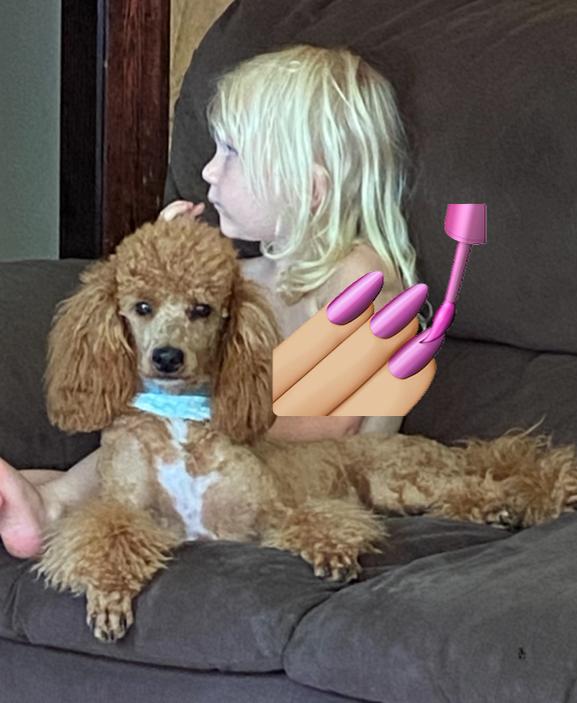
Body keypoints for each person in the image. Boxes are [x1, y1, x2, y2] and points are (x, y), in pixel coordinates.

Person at [0, 44, 431, 560]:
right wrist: (167, 259)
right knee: (138, 439)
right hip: (220, 459)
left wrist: (196, 416)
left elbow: (336, 425)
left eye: (231, 153)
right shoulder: (247, 276)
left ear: (309, 185)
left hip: (310, 476)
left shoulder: (361, 279)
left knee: (157, 434)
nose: (207, 171)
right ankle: (40, 497)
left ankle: (49, 508)